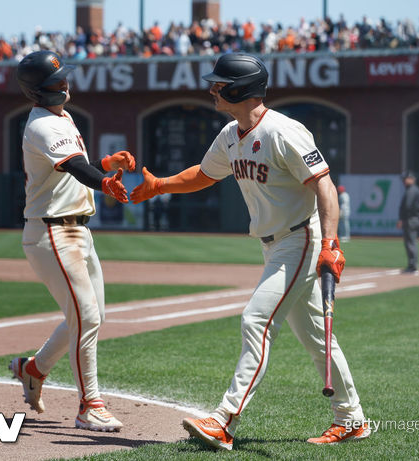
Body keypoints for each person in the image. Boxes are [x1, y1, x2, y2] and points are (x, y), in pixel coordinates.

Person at [130, 53, 369, 451]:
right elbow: (205, 174)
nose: (212, 90)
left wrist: (330, 243)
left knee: (255, 320)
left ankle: (224, 419)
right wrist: (163, 185)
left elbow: (325, 186)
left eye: (219, 84)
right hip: (272, 244)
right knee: (315, 338)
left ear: (240, 89)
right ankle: (352, 418)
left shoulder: (283, 132)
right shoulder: (229, 133)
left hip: (299, 239)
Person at [10, 50, 136, 432]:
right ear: (36, 91)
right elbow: (74, 167)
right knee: (86, 316)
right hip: (52, 230)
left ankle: (33, 369)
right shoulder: (42, 125)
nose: (65, 83)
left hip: (76, 228)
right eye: (56, 80)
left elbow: (75, 165)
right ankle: (90, 405)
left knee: (87, 315)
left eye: (64, 76)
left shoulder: (61, 117)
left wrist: (105, 165)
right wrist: (103, 181)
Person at [397, 171, 419, 274]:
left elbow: (407, 206)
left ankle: (413, 266)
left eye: (405, 179)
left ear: (411, 179)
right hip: (413, 219)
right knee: (410, 242)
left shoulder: (412, 190)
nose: (404, 181)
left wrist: (402, 219)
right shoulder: (413, 190)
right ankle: (412, 265)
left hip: (411, 219)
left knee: (410, 242)